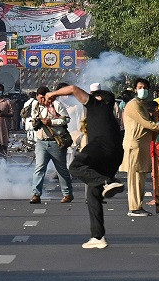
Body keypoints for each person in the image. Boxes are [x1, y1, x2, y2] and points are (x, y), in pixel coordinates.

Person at [46, 84, 126, 249]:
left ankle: (106, 182)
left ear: (99, 98)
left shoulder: (97, 105)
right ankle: (98, 237)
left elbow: (74, 89)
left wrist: (52, 94)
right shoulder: (108, 114)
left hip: (100, 147)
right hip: (116, 153)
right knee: (92, 194)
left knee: (75, 166)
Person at [121, 78, 159, 217]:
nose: (143, 90)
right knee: (135, 179)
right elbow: (146, 123)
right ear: (135, 89)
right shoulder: (133, 104)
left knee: (140, 178)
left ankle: (138, 206)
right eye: (140, 87)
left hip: (142, 146)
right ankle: (134, 208)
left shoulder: (143, 105)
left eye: (145, 87)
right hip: (134, 145)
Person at [28, 86, 74, 204]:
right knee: (39, 168)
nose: (42, 101)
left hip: (55, 141)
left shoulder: (56, 105)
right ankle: (36, 194)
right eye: (39, 98)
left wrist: (51, 122)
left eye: (44, 98)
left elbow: (66, 119)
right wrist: (35, 123)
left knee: (61, 170)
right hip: (41, 141)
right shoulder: (36, 105)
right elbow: (33, 118)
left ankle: (67, 194)